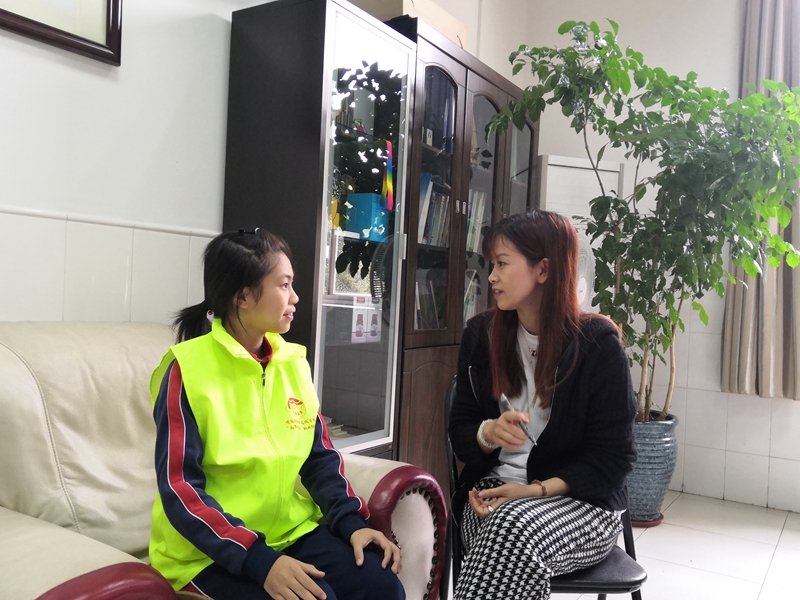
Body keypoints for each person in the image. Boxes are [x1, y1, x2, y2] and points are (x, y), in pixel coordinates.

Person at [149, 228, 405, 600]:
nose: (295, 297)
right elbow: (180, 488)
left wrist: (351, 523)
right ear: (242, 296)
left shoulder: (292, 362)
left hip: (289, 534)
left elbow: (319, 458)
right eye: (284, 285)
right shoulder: (185, 371)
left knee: (382, 586)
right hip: (209, 553)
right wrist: (260, 561)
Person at [449, 210, 637, 600]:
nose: (491, 277)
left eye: (502, 264)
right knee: (506, 533)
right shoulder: (481, 335)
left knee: (510, 531)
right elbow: (461, 431)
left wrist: (534, 492)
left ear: (544, 270)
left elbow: (613, 460)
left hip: (581, 504)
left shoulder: (598, 346)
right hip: (491, 493)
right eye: (491, 265)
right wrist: (488, 433)